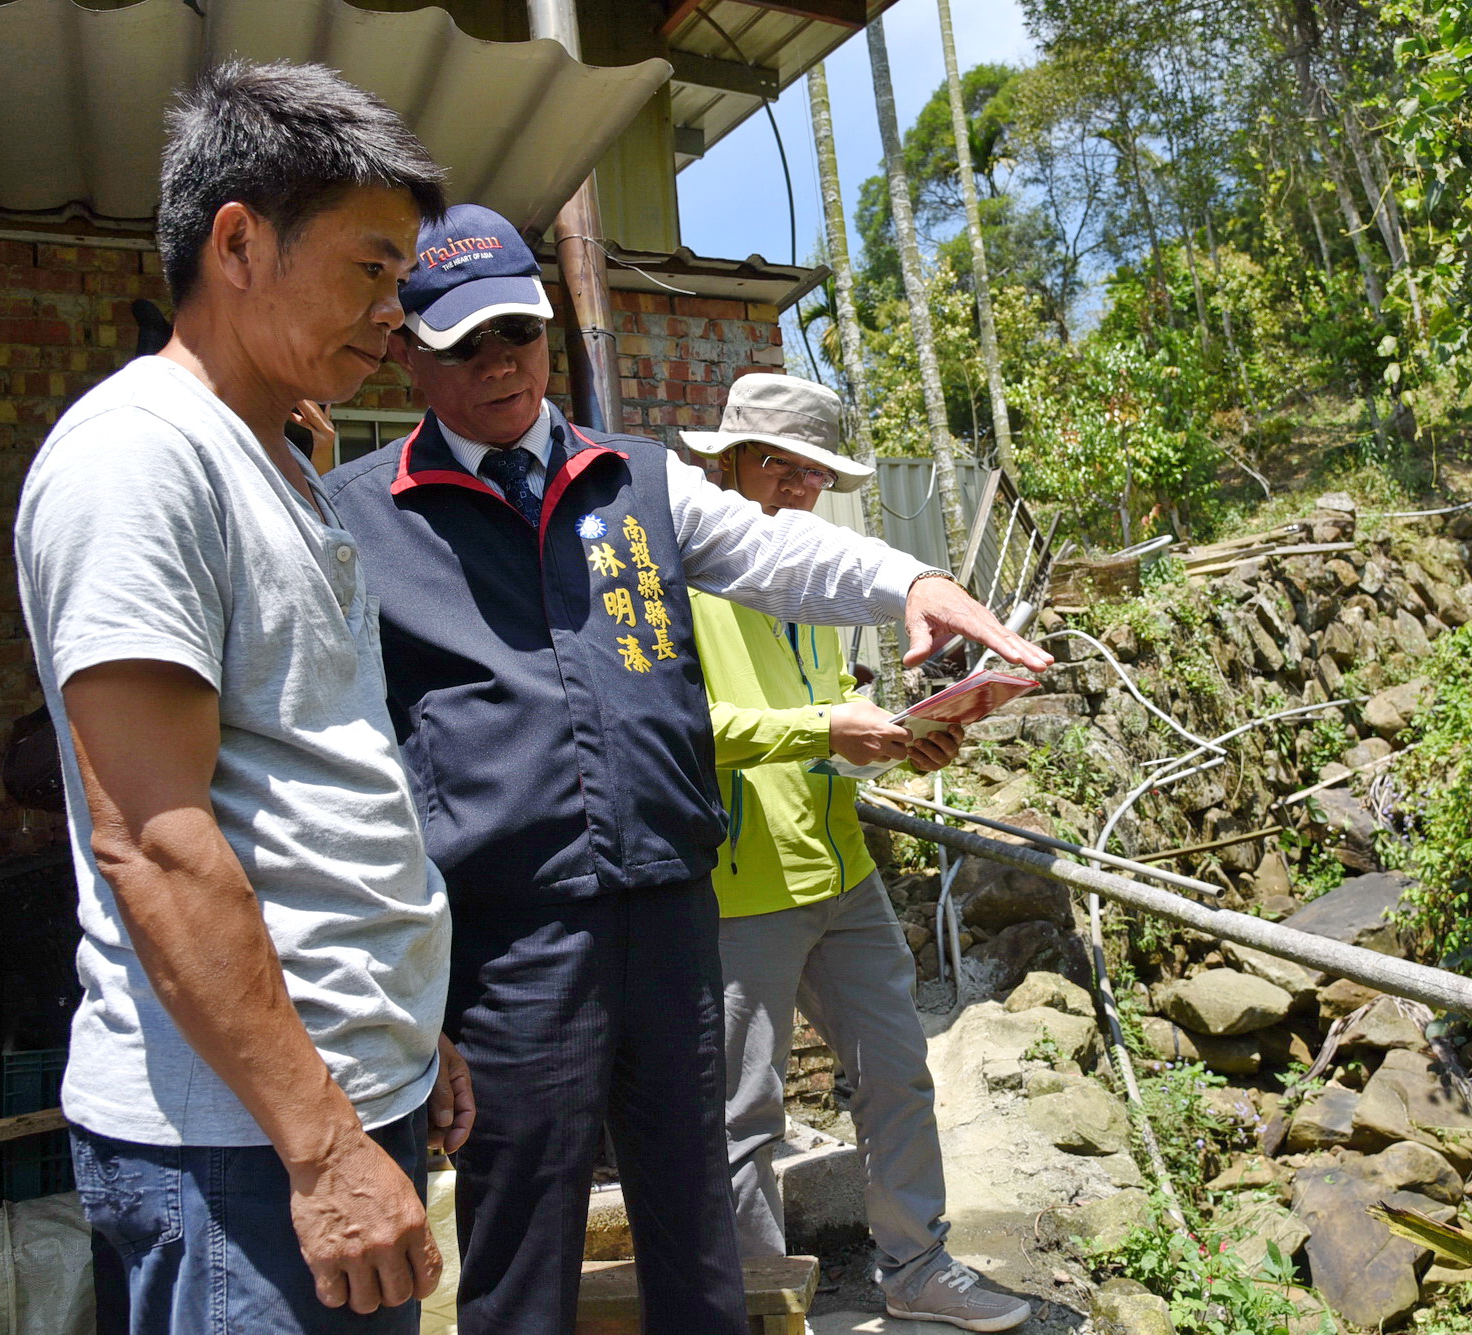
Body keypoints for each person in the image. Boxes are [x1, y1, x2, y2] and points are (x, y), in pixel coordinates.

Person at [322, 205, 1051, 1335]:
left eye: (517, 331)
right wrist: (401, 987)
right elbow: (337, 765)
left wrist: (909, 583)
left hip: (670, 913)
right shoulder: (362, 520)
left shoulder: (635, 481)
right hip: (510, 944)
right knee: (521, 1237)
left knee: (695, 1217)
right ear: (406, 351)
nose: (500, 364)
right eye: (462, 343)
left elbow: (779, 553)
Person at [12, 62, 474, 1335]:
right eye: (371, 269)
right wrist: (323, 1152)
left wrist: (404, 1029)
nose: (399, 312)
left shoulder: (276, 459)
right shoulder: (139, 461)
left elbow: (311, 779)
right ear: (237, 243)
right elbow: (153, 841)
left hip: (327, 1094)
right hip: (245, 1152)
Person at [684, 376, 1033, 1333]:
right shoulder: (678, 573)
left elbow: (831, 728)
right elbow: (677, 726)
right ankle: (758, 1302)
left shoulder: (823, 584)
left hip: (842, 868)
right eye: (780, 467)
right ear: (726, 462)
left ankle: (916, 1264)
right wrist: (820, 728)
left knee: (897, 1069)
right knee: (740, 1116)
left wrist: (909, 738)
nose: (801, 488)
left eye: (817, 472)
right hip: (736, 882)